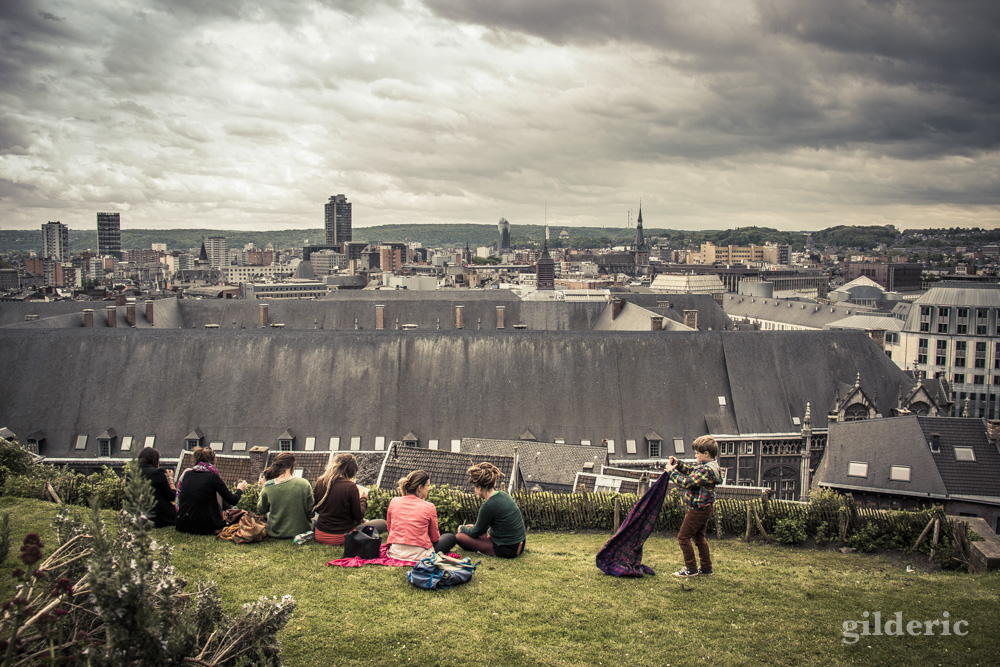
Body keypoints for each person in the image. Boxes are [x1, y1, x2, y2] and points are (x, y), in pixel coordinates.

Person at [665, 435, 723, 577]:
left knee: (683, 538)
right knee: (698, 538)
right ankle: (706, 567)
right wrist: (678, 464)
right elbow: (691, 469)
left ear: (706, 454)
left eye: (697, 453)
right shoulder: (708, 466)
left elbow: (686, 482)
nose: (695, 455)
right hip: (705, 508)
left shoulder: (705, 471)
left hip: (698, 509)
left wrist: (670, 472)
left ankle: (690, 568)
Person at [312, 452, 387, 546]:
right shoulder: (350, 487)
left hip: (320, 535)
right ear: (351, 471)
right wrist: (363, 499)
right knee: (382, 523)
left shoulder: (321, 482)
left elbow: (318, 509)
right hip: (342, 537)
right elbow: (358, 516)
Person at [456, 462, 526, 558]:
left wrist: (462, 528)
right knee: (475, 532)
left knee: (459, 537)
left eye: (475, 488)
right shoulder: (503, 494)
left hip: (508, 549)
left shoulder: (488, 505)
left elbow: (476, 532)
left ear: (480, 487)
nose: (474, 491)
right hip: (520, 544)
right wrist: (474, 527)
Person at [385, 470, 457, 561]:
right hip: (419, 555)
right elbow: (435, 538)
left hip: (395, 552)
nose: (429, 488)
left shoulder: (394, 501)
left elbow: (390, 529)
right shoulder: (429, 506)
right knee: (450, 537)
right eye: (428, 485)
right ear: (419, 488)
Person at [175, 447, 248, 535]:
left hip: (183, 524)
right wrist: (240, 489)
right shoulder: (212, 477)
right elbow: (233, 500)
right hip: (206, 526)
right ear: (213, 460)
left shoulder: (187, 474)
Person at [256, 452, 314, 539]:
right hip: (301, 531)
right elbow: (311, 511)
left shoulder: (268, 486)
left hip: (275, 533)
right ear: (293, 466)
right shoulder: (304, 483)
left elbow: (261, 509)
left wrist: (263, 488)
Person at [137, 447, 176, 528]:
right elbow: (172, 496)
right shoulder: (157, 473)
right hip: (157, 518)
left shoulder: (131, 474)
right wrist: (170, 479)